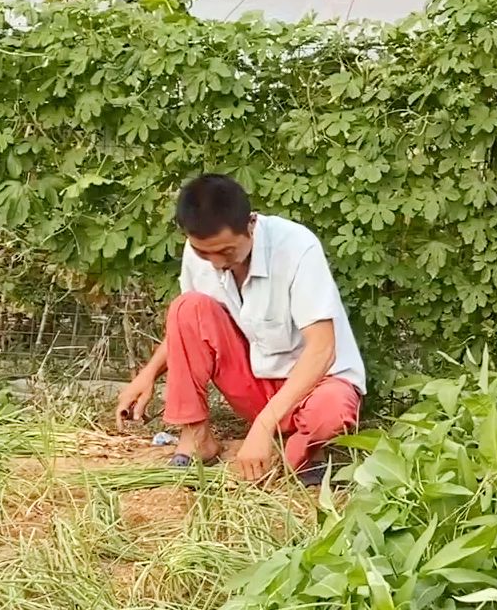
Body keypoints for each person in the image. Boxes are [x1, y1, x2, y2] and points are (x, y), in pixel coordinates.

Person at [114, 174, 365, 483]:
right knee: (186, 305)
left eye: (227, 251)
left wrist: (262, 427)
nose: (216, 262)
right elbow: (189, 325)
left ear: (250, 224)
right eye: (205, 252)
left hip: (316, 386)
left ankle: (302, 453)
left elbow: (323, 349)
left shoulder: (296, 246)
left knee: (331, 413)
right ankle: (196, 439)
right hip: (255, 386)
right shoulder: (198, 253)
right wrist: (148, 374)